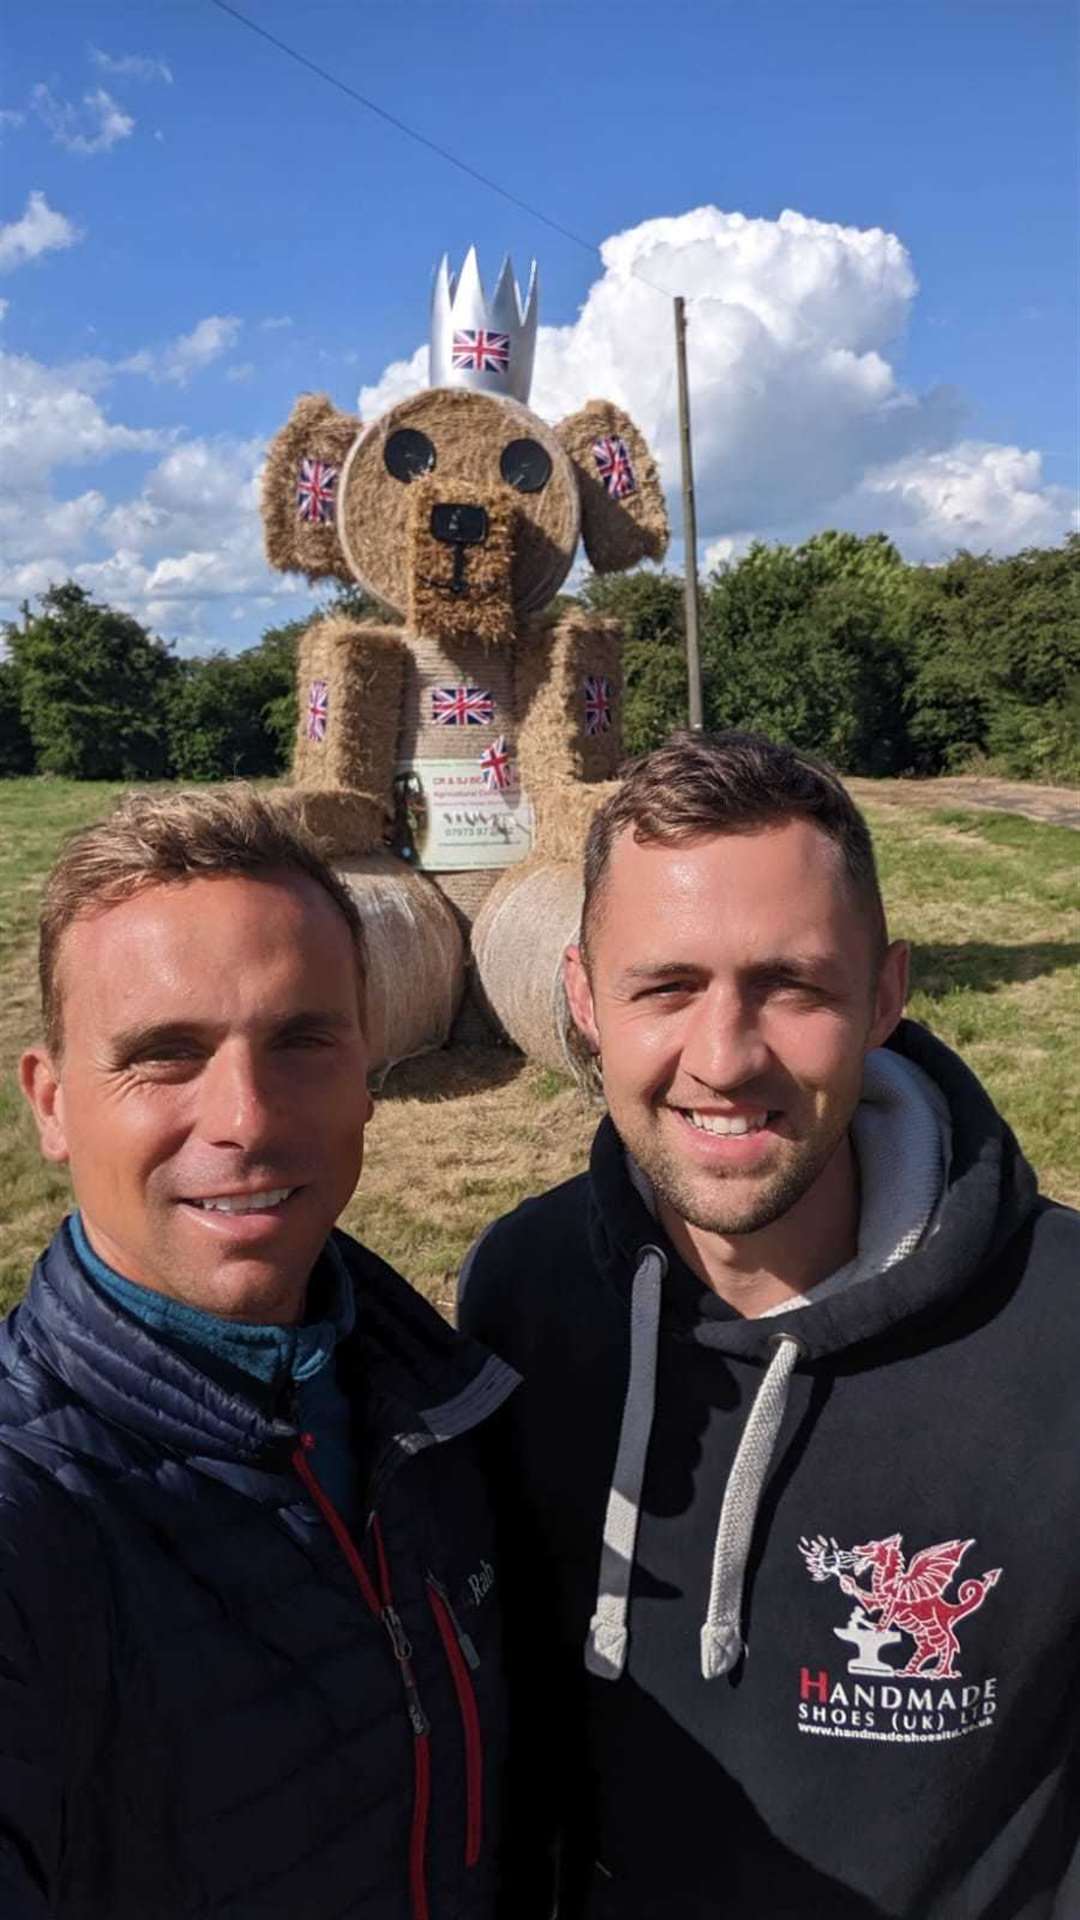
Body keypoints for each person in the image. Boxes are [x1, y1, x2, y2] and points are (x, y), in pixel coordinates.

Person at [459, 730, 1080, 1920]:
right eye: (665, 986)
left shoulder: (1061, 1326)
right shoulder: (520, 1297)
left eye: (791, 985)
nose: (726, 1057)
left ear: (887, 994)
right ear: (584, 998)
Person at [9, 786, 516, 1920]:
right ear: (50, 1103)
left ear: (368, 1070)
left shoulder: (444, 1397)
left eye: (300, 1040)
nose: (244, 1116)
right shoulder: (30, 1512)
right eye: (163, 1056)